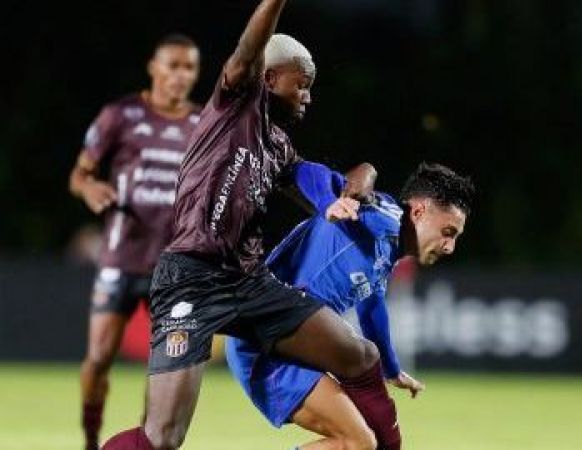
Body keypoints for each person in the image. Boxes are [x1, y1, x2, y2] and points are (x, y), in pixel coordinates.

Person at [102, 1, 404, 449]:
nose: (308, 97)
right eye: (301, 85)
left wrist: (352, 190)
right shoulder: (235, 105)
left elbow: (341, 177)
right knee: (163, 437)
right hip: (191, 278)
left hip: (248, 282)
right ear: (268, 78)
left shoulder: (278, 147)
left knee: (359, 355)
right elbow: (249, 48)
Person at [226, 162, 475, 449]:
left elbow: (371, 309)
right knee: (362, 440)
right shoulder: (375, 216)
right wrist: (343, 190)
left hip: (286, 344)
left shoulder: (387, 247)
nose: (450, 246)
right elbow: (310, 172)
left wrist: (391, 369)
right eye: (448, 231)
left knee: (363, 442)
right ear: (419, 212)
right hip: (263, 344)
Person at [68, 33, 202, 450]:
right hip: (121, 258)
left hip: (173, 267)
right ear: (153, 68)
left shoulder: (203, 124)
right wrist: (89, 188)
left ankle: (146, 443)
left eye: (189, 67)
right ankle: (91, 438)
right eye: (173, 65)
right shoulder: (121, 115)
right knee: (97, 359)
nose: (181, 75)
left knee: (161, 371)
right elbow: (79, 174)